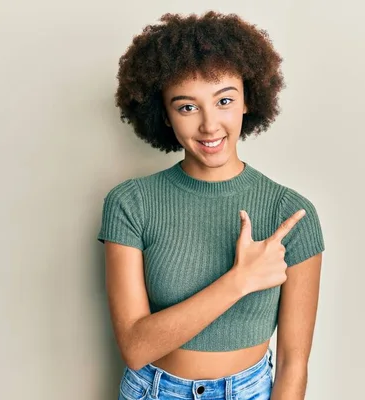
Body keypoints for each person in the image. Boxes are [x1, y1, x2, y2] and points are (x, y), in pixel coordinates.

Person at [97, 11, 325, 400]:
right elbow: (136, 348)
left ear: (248, 101)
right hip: (153, 391)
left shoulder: (292, 213)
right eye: (187, 107)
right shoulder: (131, 204)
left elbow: (293, 363)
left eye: (224, 101)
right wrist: (240, 281)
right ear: (164, 115)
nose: (209, 125)